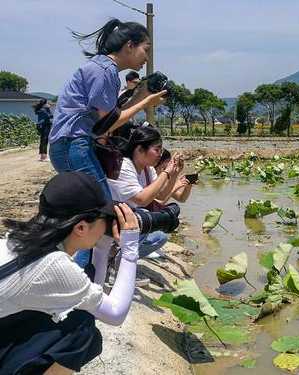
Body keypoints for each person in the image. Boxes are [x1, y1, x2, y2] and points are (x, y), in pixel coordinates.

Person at [48, 18, 165, 268]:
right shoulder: (104, 72)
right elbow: (106, 125)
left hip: (73, 145)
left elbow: (113, 115)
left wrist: (143, 93)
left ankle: (73, 269)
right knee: (100, 212)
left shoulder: (104, 69)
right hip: (74, 145)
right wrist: (145, 103)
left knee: (88, 213)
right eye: (146, 49)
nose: (147, 58)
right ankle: (80, 276)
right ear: (129, 46)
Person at [0, 171, 140, 374]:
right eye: (105, 219)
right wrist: (130, 250)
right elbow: (115, 314)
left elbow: (89, 301)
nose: (108, 225)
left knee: (79, 313)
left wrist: (101, 249)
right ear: (81, 227)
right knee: (80, 328)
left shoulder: (16, 240)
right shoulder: (54, 266)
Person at [108, 126, 184, 263]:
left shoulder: (148, 169)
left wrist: (174, 174)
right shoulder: (124, 167)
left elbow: (160, 196)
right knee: (143, 216)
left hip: (128, 218)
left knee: (162, 232)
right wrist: (166, 173)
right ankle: (118, 261)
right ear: (139, 149)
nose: (160, 154)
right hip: (112, 220)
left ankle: (121, 260)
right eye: (157, 149)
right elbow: (142, 199)